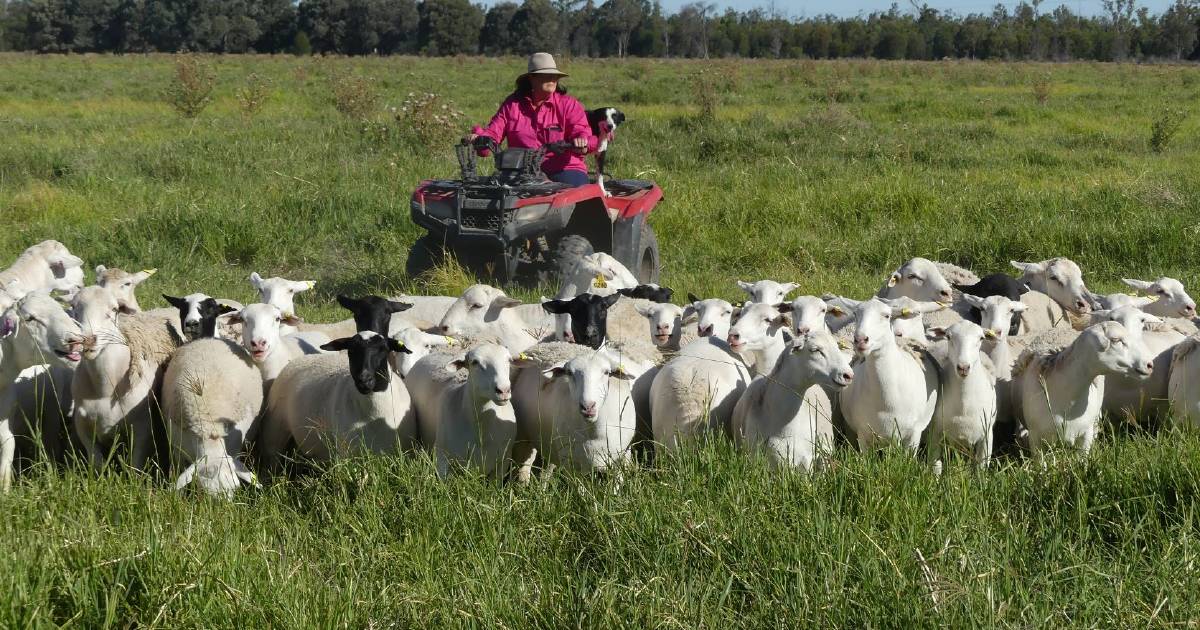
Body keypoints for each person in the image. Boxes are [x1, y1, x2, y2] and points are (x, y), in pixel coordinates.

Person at [464, 52, 596, 187]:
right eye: (546, 75)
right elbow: (493, 133)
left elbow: (582, 132)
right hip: (522, 171)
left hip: (564, 168)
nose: (552, 78)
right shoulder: (512, 105)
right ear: (531, 78)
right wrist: (480, 139)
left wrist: (582, 141)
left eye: (555, 75)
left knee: (576, 193)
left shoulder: (569, 104)